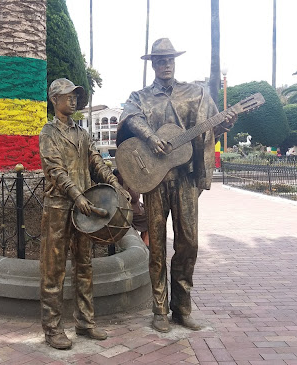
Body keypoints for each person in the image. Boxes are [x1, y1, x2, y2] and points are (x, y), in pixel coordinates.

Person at [116, 38, 237, 333]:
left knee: (188, 243)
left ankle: (182, 308)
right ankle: (159, 310)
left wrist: (224, 124)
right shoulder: (140, 96)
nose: (166, 64)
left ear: (175, 62)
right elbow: (129, 117)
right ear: (153, 64)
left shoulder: (196, 94)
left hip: (184, 178)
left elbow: (209, 130)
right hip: (155, 180)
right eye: (160, 60)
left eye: (169, 59)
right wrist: (150, 137)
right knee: (156, 245)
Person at [39, 78, 130, 350]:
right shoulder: (48, 132)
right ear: (54, 100)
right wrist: (76, 196)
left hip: (85, 208)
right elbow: (54, 170)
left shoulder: (82, 133)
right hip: (59, 207)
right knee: (53, 269)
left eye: (76, 95)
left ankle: (85, 321)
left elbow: (96, 161)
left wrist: (114, 183)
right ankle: (52, 328)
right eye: (68, 96)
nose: (74, 100)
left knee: (85, 265)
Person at [113, 168, 149, 245]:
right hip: (130, 212)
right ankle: (145, 244)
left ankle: (143, 242)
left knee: (149, 215)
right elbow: (135, 198)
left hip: (133, 210)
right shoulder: (123, 182)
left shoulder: (127, 182)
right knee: (150, 219)